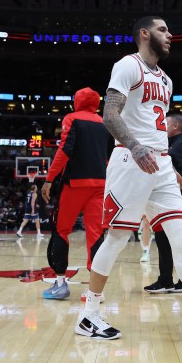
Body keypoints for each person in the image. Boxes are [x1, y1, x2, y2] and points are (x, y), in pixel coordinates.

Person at [75, 16, 182, 343]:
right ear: (144, 34)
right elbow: (109, 114)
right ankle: (89, 315)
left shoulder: (167, 80)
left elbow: (154, 125)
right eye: (162, 30)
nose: (170, 35)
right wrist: (136, 146)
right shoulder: (127, 65)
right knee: (115, 239)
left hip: (161, 162)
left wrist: (166, 164)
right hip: (131, 160)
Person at [40, 87, 109, 300]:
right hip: (101, 184)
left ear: (77, 102)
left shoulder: (72, 118)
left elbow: (64, 150)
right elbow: (110, 156)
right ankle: (95, 292)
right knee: (96, 235)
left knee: (61, 230)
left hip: (75, 185)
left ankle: (60, 284)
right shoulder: (105, 122)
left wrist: (49, 179)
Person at [143, 113, 182, 293]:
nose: (161, 126)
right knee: (163, 239)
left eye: (165, 123)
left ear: (174, 127)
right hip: (168, 199)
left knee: (181, 240)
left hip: (180, 199)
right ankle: (165, 280)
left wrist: (175, 179)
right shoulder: (169, 144)